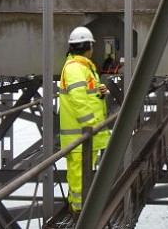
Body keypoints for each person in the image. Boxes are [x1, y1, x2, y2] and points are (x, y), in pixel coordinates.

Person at [58, 26, 110, 219]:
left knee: (79, 175)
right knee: (79, 176)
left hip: (84, 134)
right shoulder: (75, 68)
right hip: (81, 135)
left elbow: (85, 92)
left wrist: (100, 89)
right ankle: (80, 215)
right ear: (88, 46)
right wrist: (91, 126)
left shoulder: (81, 67)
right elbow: (78, 99)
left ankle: (78, 208)